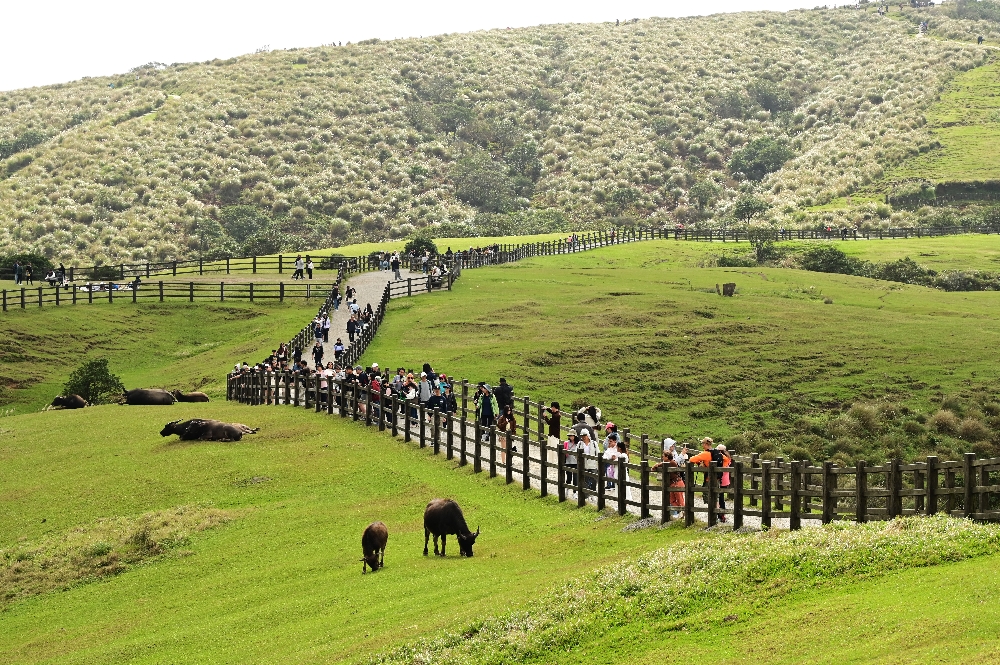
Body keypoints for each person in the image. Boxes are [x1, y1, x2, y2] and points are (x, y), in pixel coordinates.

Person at [687, 438, 731, 523]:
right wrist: (721, 469)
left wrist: (700, 463)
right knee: (716, 497)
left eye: (702, 443)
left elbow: (691, 459)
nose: (702, 445)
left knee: (708, 496)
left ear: (705, 444)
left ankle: (714, 516)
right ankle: (720, 516)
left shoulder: (705, 453)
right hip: (717, 478)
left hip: (709, 479)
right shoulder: (717, 452)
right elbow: (726, 460)